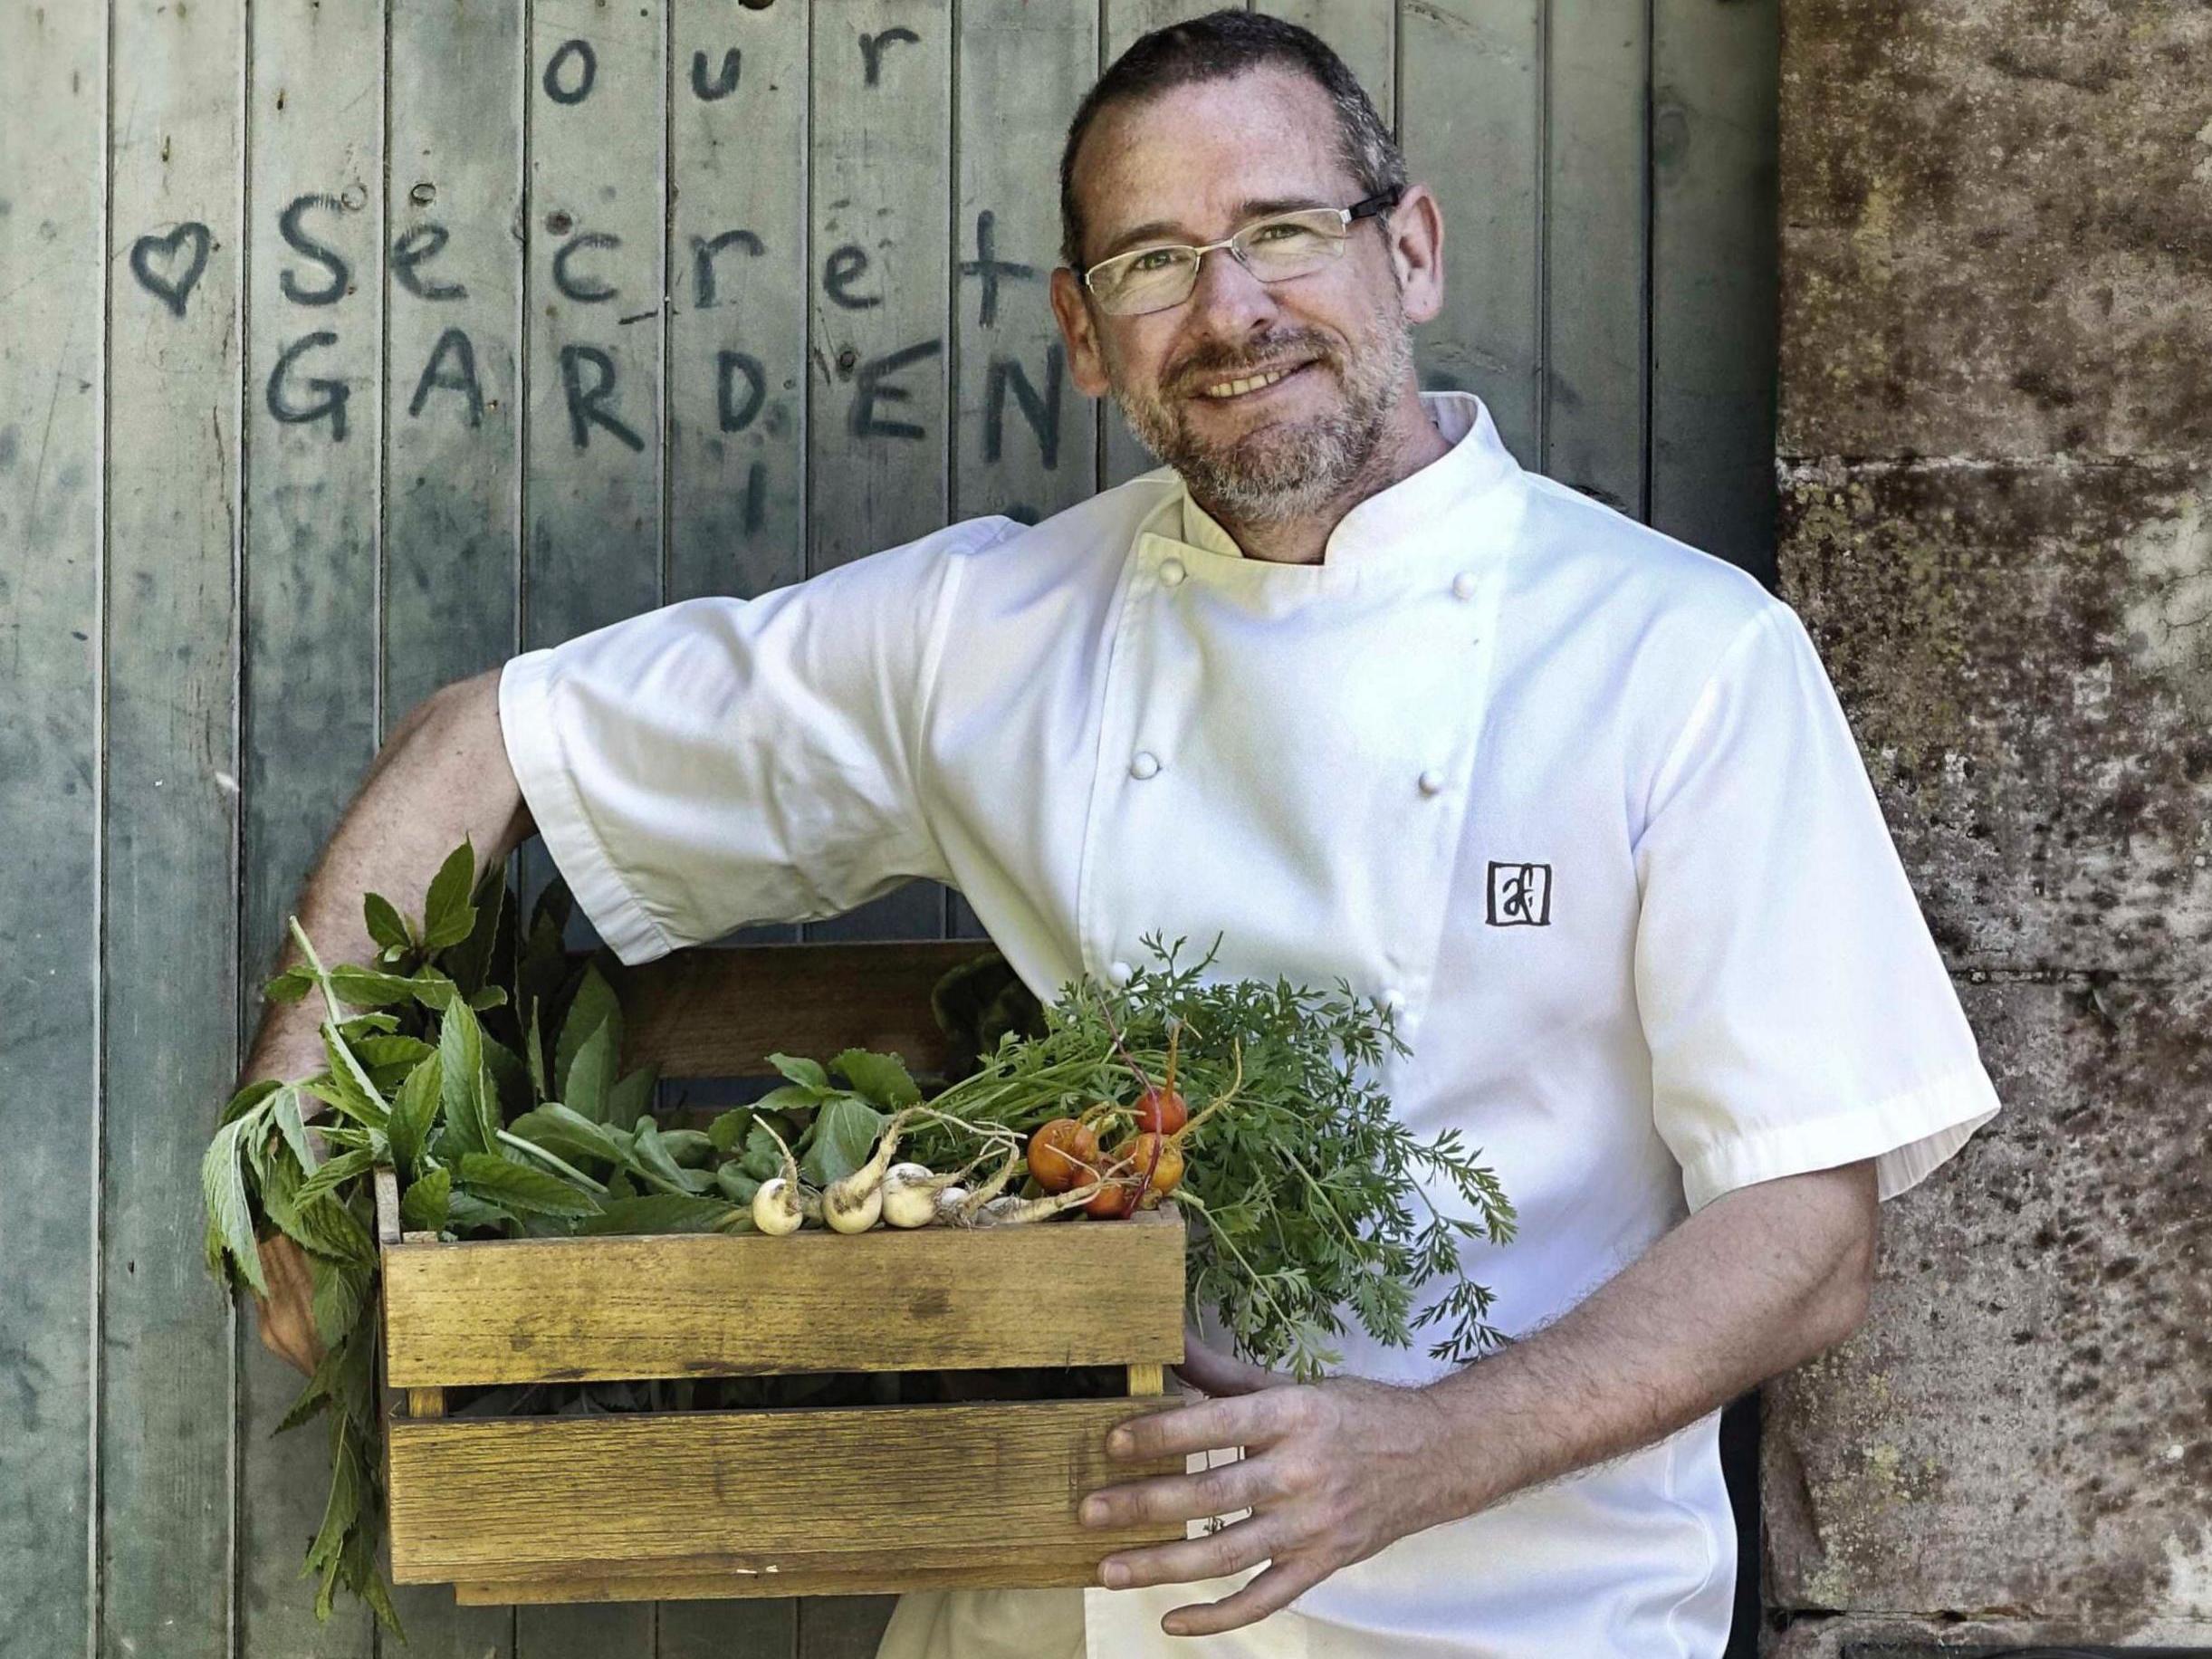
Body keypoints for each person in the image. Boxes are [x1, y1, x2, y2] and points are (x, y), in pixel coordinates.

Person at [241, 12, 2003, 1657]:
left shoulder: (1677, 657)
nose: (1230, 306)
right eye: (1154, 262)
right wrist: (294, 1141)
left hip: (1518, 1611)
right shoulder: (993, 631)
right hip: (1054, 1605)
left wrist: (1419, 1448)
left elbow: (1801, 1228)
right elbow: (489, 743)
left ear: (1412, 250)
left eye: (1285, 228)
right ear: (1085, 337)